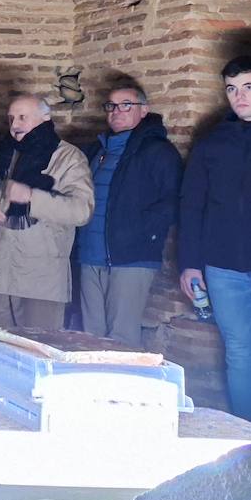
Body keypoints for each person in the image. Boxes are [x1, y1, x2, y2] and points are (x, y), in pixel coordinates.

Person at [0, 95, 94, 336]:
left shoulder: (68, 158)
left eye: (23, 117)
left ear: (45, 118)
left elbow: (81, 210)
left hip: (39, 278)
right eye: (11, 118)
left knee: (36, 354)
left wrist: (32, 197)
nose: (15, 125)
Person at [76, 81, 182, 349]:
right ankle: (93, 390)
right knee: (90, 336)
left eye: (126, 105)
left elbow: (173, 200)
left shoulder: (158, 151)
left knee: (120, 339)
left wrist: (140, 231)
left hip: (130, 258)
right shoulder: (97, 151)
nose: (116, 111)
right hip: (90, 255)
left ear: (143, 110)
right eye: (111, 105)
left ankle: (119, 391)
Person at [179, 55, 251, 422]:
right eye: (232, 89)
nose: (239, 97)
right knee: (239, 351)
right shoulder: (213, 142)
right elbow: (191, 205)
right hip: (224, 266)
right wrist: (189, 263)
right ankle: (247, 436)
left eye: (249, 88)